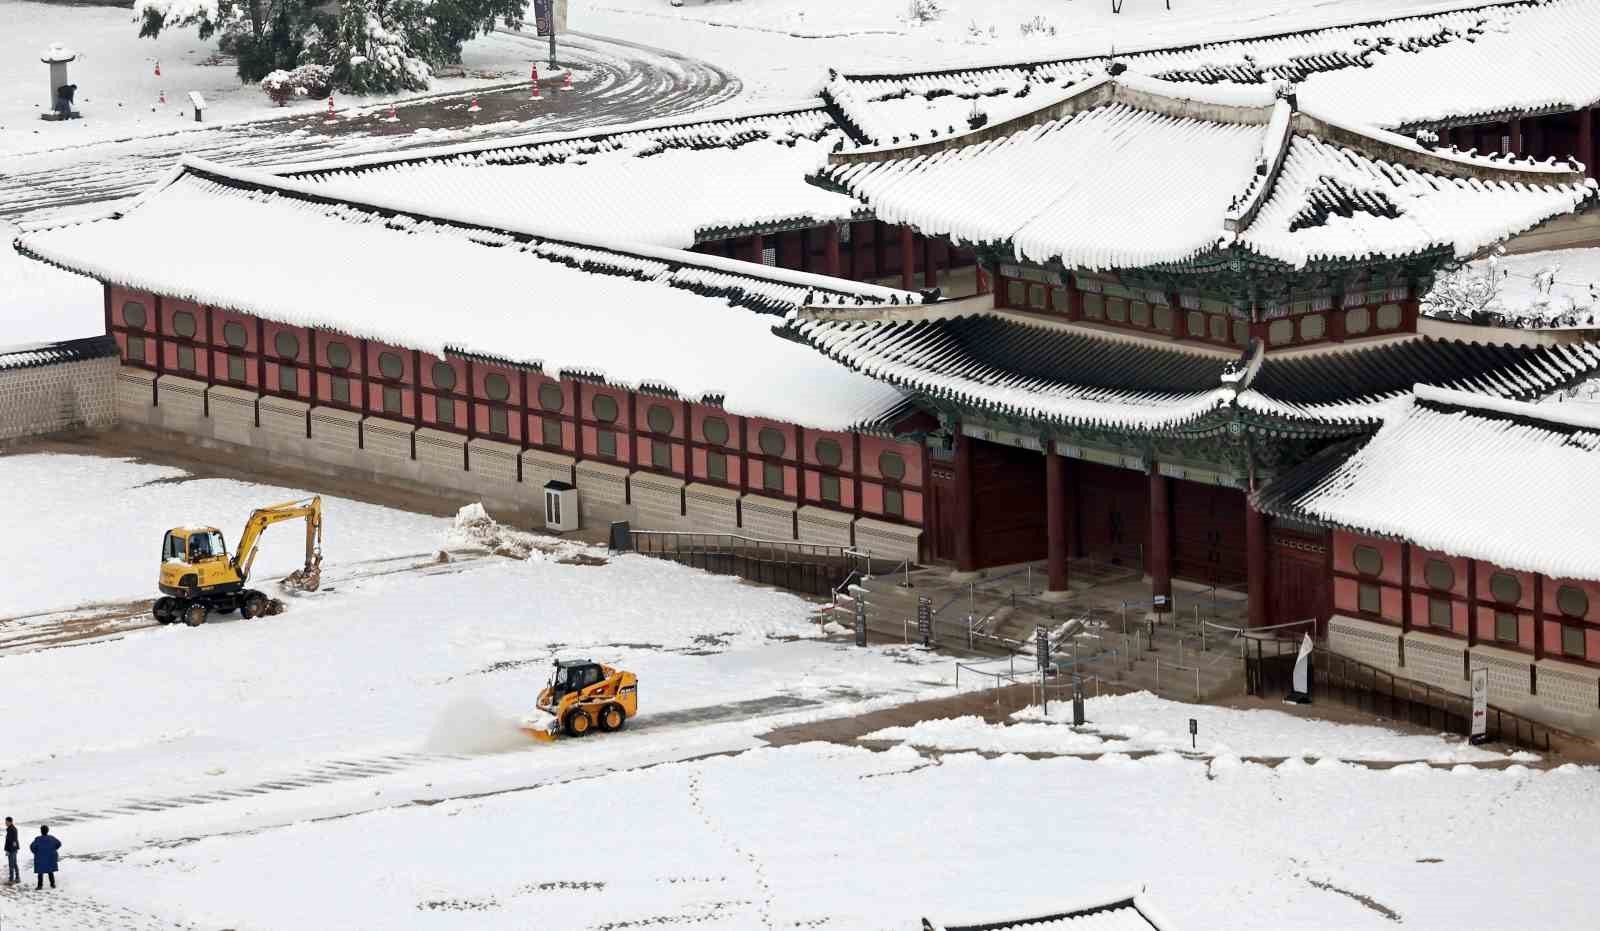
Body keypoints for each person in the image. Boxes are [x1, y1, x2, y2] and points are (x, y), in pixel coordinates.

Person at [30, 825, 59, 890]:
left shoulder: (38, 839)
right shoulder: (52, 838)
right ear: (47, 831)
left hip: (40, 858)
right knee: (50, 871)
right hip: (49, 857)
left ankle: (40, 886)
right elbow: (58, 843)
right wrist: (53, 849)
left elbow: (32, 847)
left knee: (40, 872)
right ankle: (52, 884)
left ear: (41, 831)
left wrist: (36, 852)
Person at [4, 817, 17, 883]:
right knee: (14, 864)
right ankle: (17, 878)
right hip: (12, 849)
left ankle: (11, 879)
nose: (5, 823)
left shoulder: (12, 830)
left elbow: (13, 842)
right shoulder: (11, 829)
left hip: (12, 850)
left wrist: (8, 851)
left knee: (11, 865)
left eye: (6, 822)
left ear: (10, 822)